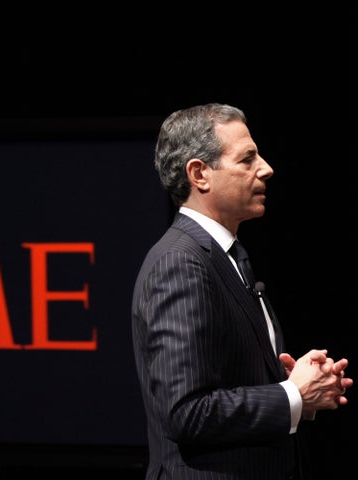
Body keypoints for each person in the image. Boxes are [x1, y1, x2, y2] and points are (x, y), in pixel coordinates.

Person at [130, 103, 352, 479]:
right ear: (200, 174)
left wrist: (294, 385)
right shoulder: (180, 263)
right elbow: (187, 413)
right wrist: (291, 396)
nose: (266, 168)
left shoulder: (226, 255)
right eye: (247, 159)